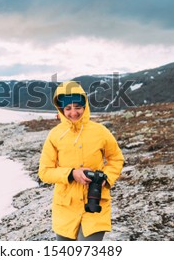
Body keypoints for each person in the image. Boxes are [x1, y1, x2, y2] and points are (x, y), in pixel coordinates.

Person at [38, 81, 124, 241]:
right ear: (61, 109)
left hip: (95, 203)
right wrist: (71, 174)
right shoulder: (54, 135)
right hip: (65, 208)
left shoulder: (100, 131)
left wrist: (107, 178)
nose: (73, 112)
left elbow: (116, 159)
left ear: (85, 106)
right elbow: (44, 172)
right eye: (68, 108)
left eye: (78, 106)